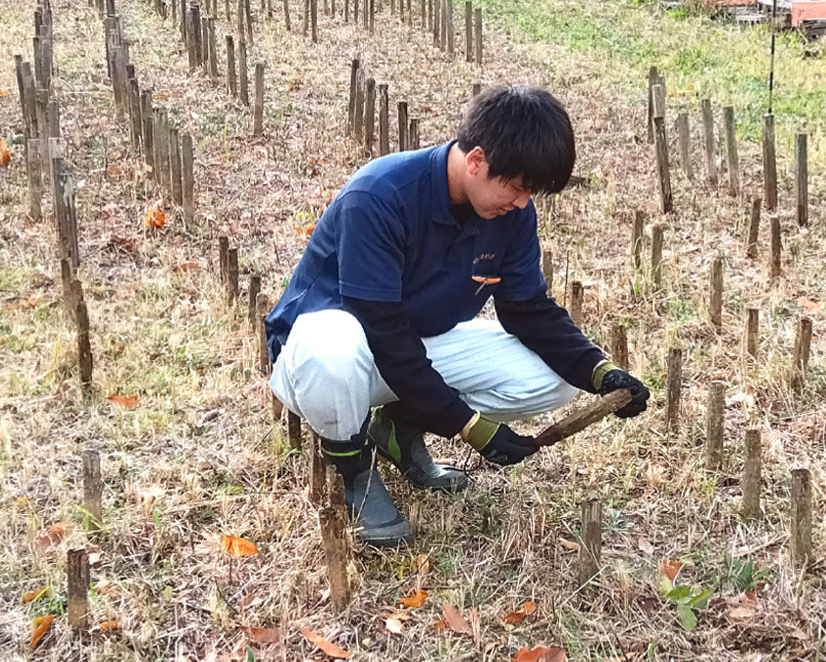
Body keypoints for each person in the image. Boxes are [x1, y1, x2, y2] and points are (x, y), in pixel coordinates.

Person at [265, 84, 650, 547]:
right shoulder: (379, 196)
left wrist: (601, 373)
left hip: (408, 349)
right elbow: (382, 332)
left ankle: (399, 427)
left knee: (556, 376)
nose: (524, 203)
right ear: (476, 161)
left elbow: (529, 309)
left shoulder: (510, 215)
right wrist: (468, 425)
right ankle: (355, 468)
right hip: (322, 357)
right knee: (335, 352)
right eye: (518, 187)